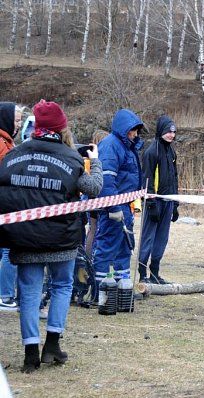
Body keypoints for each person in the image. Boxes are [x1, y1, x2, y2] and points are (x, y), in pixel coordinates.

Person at [0, 99, 102, 373]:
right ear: (61, 128)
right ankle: (52, 345)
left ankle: (30, 352)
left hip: (23, 237)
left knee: (29, 293)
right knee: (61, 286)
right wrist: (95, 161)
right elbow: (93, 188)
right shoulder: (70, 158)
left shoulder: (13, 155)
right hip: (61, 237)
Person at [93, 109, 144, 293]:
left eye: (137, 131)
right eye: (133, 130)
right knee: (107, 246)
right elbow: (106, 180)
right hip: (113, 208)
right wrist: (113, 207)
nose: (135, 135)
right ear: (124, 129)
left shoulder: (128, 148)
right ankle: (100, 289)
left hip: (126, 206)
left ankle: (123, 288)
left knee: (125, 247)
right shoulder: (110, 146)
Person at [138, 115, 179, 284]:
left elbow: (174, 177)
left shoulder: (172, 151)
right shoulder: (151, 151)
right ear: (161, 131)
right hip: (154, 202)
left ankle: (154, 274)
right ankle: (142, 275)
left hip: (168, 201)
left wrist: (175, 203)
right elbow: (146, 178)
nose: (171, 135)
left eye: (173, 132)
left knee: (162, 239)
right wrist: (151, 203)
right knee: (148, 238)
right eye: (168, 132)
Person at [0, 102, 22, 311]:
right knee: (9, 250)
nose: (19, 124)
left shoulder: (8, 142)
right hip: (4, 203)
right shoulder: (1, 143)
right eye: (16, 120)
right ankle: (5, 295)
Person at [84, 130, 110, 257]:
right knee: (94, 229)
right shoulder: (92, 160)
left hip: (94, 198)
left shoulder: (92, 159)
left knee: (93, 229)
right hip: (93, 198)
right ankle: (89, 256)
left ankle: (90, 255)